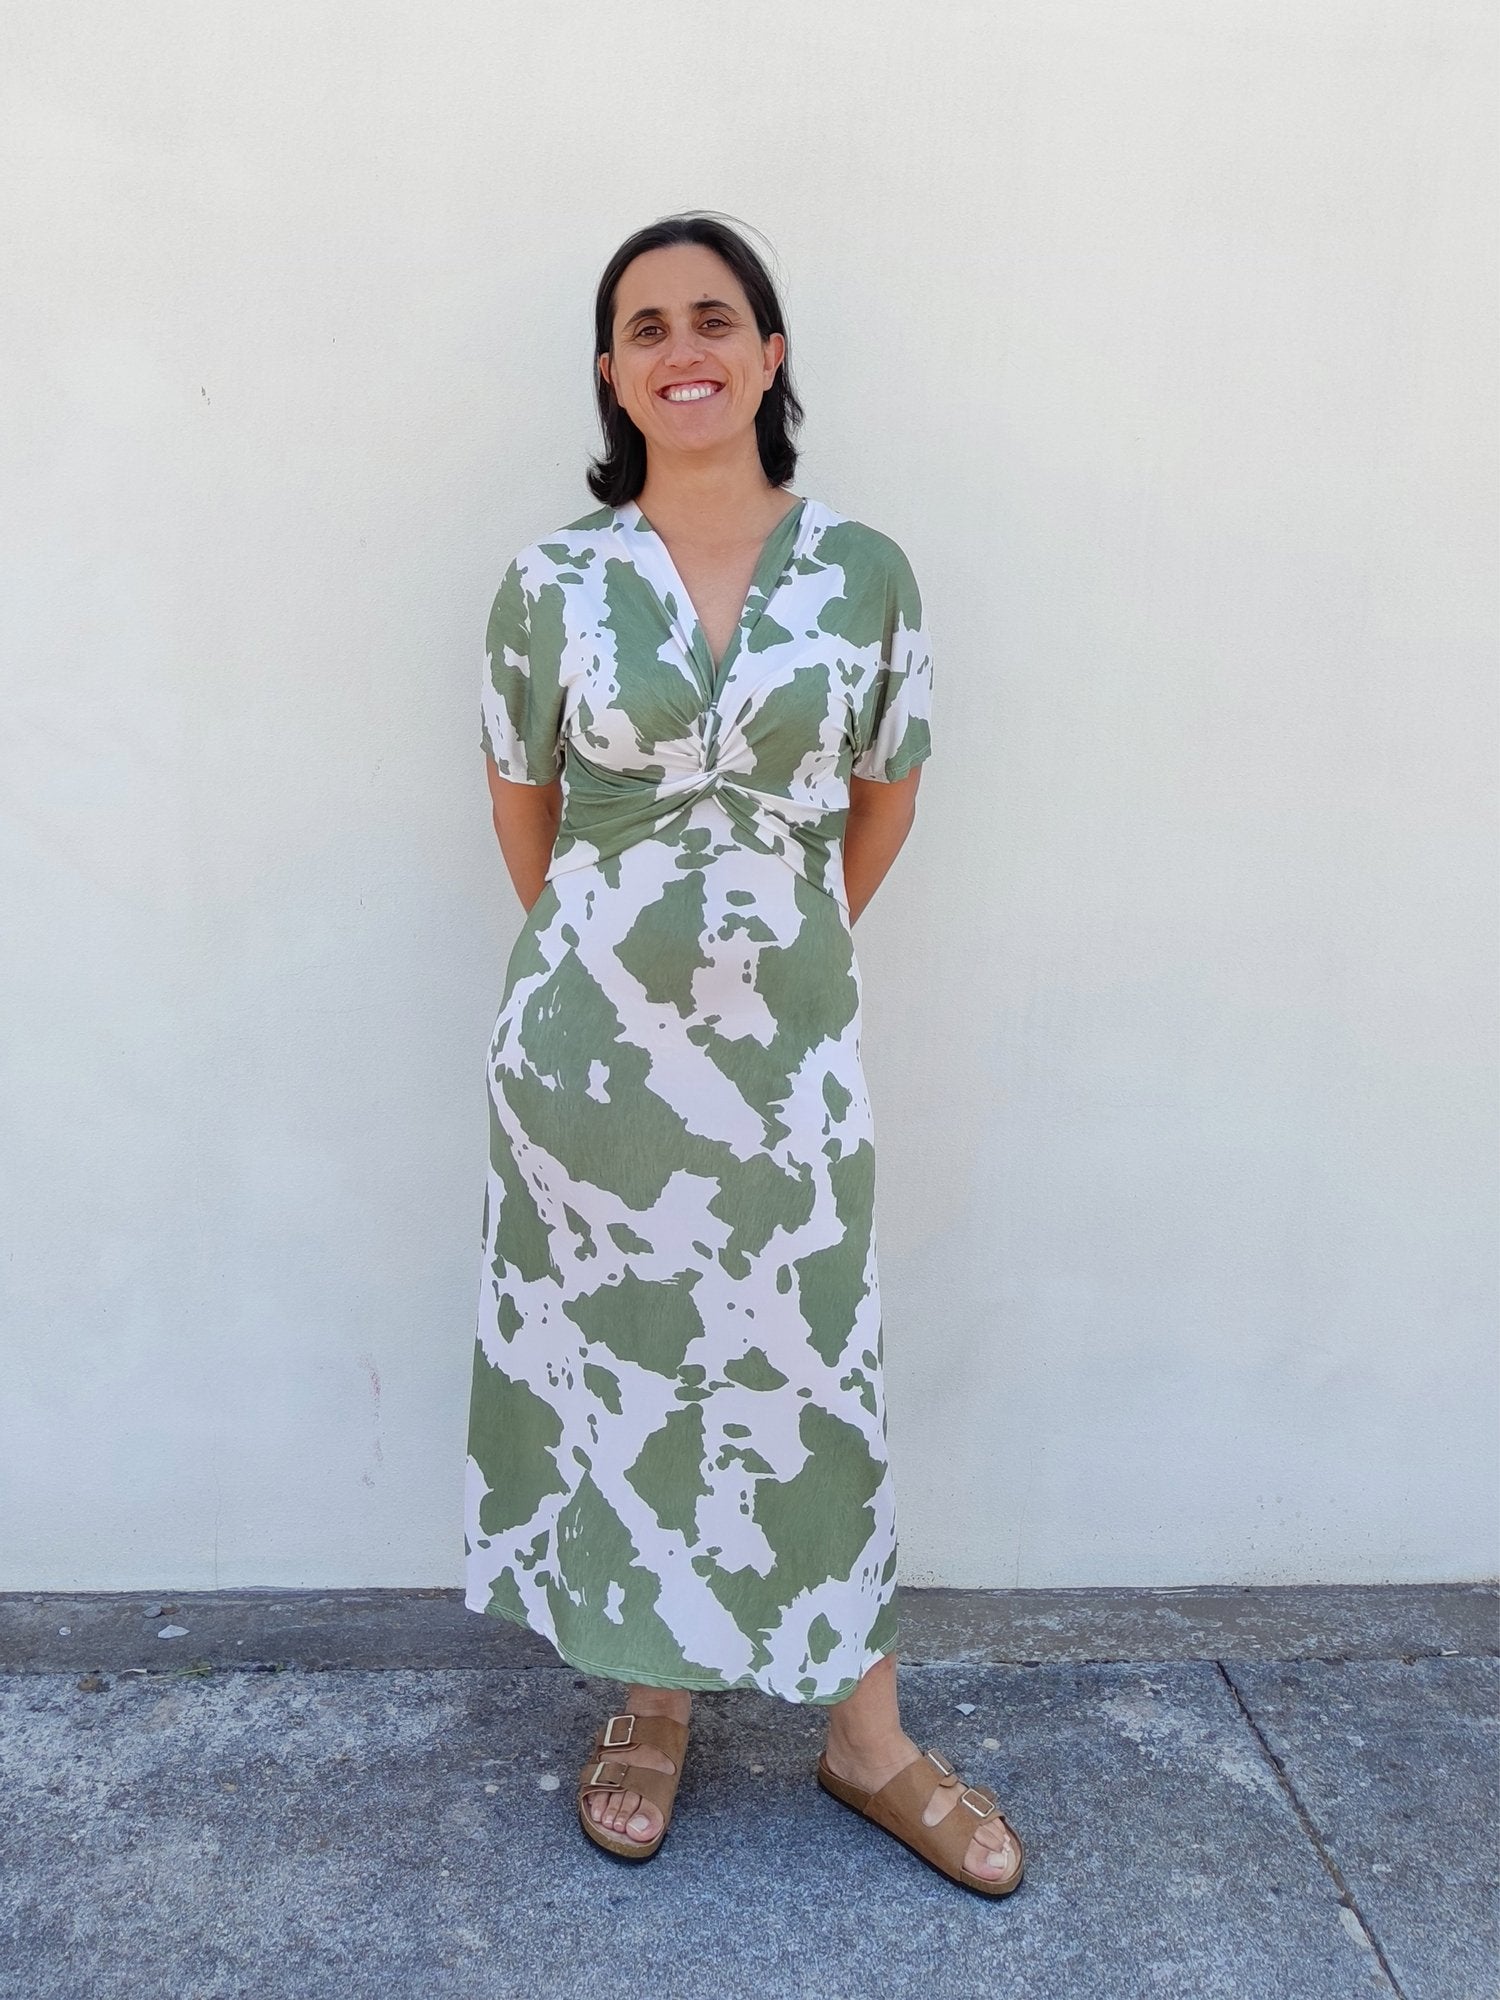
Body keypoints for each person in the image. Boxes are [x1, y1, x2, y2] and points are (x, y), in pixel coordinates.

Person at [463, 212, 1023, 1896]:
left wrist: (773, 955)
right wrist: (621, 976)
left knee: (811, 1366)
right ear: (612, 373)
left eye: (714, 317)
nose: (682, 348)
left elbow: (887, 796)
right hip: (587, 1069)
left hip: (788, 1062)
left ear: (769, 355)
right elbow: (526, 813)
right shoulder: (552, 584)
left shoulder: (865, 575)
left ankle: (870, 1737)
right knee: (632, 1364)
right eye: (645, 327)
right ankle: (652, 1705)